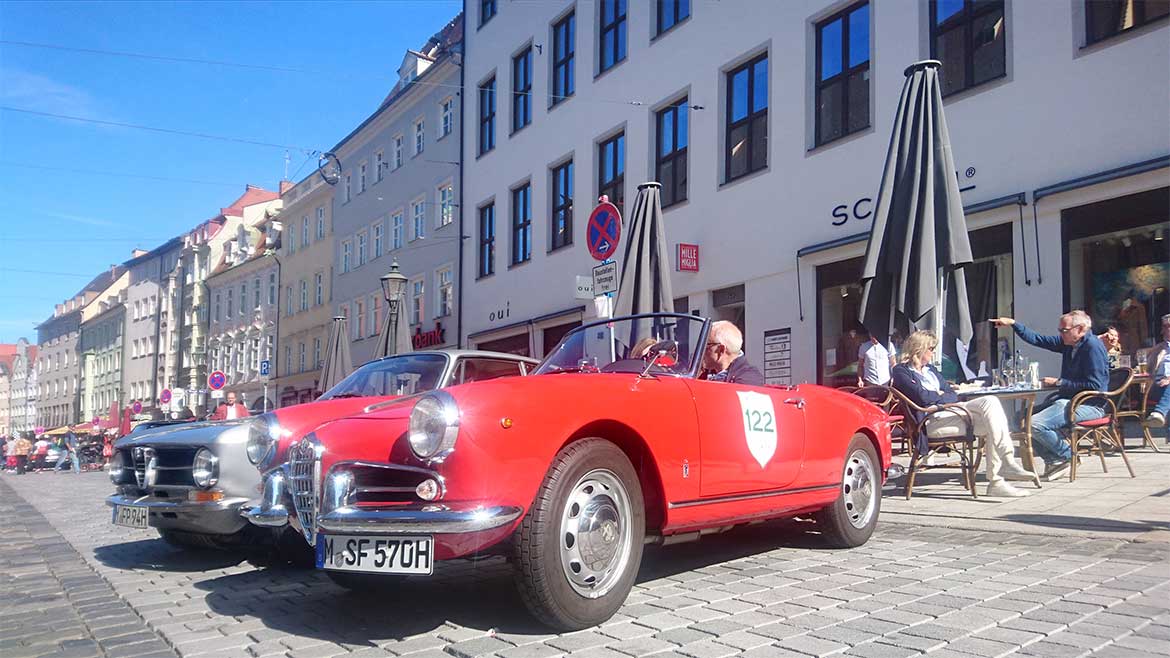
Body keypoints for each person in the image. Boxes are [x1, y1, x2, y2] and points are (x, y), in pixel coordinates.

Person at [892, 331, 1037, 497]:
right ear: (919, 349)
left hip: (951, 413)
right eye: (931, 348)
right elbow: (922, 398)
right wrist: (939, 396)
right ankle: (1003, 467)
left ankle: (998, 479)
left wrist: (939, 396)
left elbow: (952, 393)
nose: (933, 353)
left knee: (991, 408)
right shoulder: (901, 371)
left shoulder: (930, 370)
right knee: (990, 408)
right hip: (930, 421)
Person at [992, 311, 1109, 481]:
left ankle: (1068, 456)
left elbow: (1095, 385)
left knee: (1036, 424)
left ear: (1081, 329)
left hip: (1090, 405)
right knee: (1020, 419)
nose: (1061, 334)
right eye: (1060, 330)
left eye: (1064, 330)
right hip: (1069, 401)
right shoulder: (1070, 343)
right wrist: (1013, 324)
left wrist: (1059, 382)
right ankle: (1055, 460)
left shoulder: (1092, 347)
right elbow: (1038, 339)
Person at [700, 321, 764, 386]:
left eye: (706, 345)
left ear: (721, 350)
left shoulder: (749, 378)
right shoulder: (702, 372)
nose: (702, 351)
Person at [1144, 314, 1170, 429]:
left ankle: (1159, 413)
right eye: (1165, 326)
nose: (1167, 329)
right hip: (1156, 385)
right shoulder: (1160, 348)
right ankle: (1159, 413)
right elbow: (1140, 358)